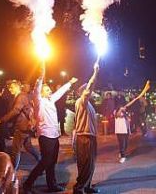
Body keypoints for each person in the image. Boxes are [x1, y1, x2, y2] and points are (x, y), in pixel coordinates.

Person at [23, 64, 78, 193]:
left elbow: (60, 92)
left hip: (54, 135)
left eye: (49, 90)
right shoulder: (39, 101)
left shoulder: (50, 100)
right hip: (45, 136)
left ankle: (52, 185)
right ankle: (28, 184)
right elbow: (36, 89)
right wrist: (41, 77)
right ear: (42, 92)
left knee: (51, 162)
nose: (50, 91)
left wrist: (69, 82)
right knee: (45, 161)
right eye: (47, 90)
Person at [0, 80, 40, 171]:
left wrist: (0, 120)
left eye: (11, 87)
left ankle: (12, 172)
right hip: (25, 126)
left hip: (22, 127)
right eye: (8, 88)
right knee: (28, 147)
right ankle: (41, 163)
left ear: (17, 87)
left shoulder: (21, 96)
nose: (10, 89)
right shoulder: (20, 96)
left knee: (15, 150)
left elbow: (16, 110)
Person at [73, 64, 100, 194]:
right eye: (89, 91)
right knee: (85, 164)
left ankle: (86, 186)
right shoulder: (82, 101)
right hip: (84, 137)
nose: (92, 92)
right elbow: (89, 87)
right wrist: (95, 72)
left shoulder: (88, 104)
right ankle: (79, 189)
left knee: (90, 164)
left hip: (90, 137)